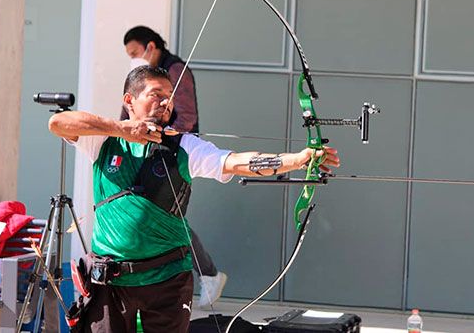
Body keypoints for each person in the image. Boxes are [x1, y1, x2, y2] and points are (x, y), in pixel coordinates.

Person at [49, 65, 339, 332]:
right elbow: (58, 123)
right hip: (109, 282)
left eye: (170, 96)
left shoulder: (185, 146)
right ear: (130, 100)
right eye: (156, 94)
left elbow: (237, 162)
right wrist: (122, 129)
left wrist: (298, 159)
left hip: (166, 282)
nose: (166, 102)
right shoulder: (103, 141)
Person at [122, 25, 222, 308]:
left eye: (135, 53)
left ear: (151, 47)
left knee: (168, 216)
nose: (133, 59)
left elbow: (186, 116)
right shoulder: (139, 79)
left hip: (170, 154)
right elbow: (128, 115)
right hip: (140, 151)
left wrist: (161, 137)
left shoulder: (175, 71)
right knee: (144, 213)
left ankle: (208, 273)